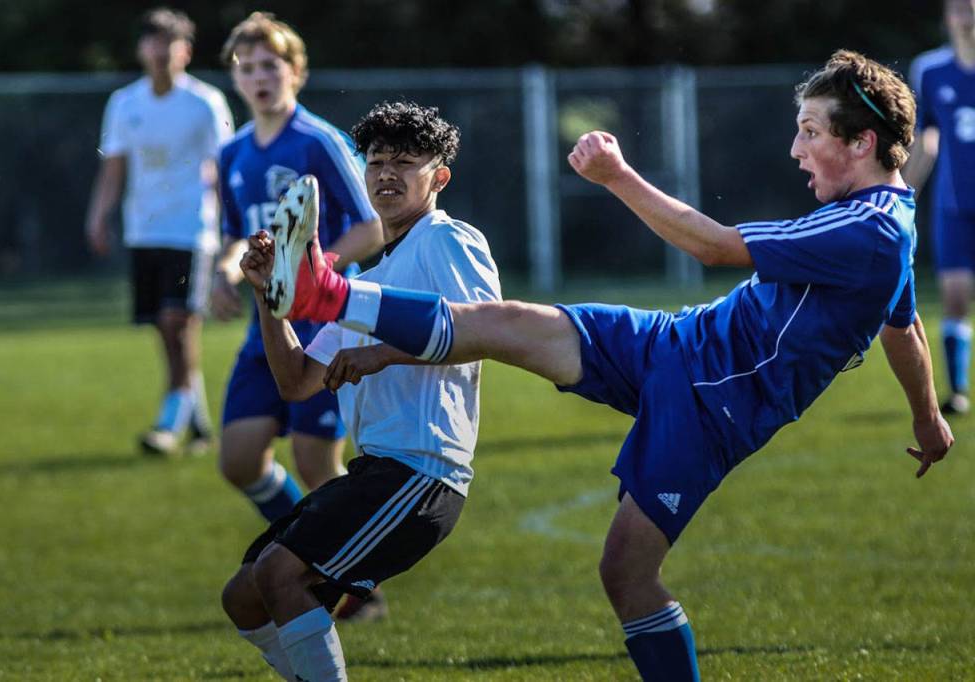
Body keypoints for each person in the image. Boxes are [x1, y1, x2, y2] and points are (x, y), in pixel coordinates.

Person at [270, 52, 955, 681]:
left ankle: (325, 291)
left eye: (810, 130)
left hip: (710, 406)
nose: (795, 147)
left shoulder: (869, 229)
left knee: (627, 574)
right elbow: (905, 325)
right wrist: (928, 420)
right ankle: (324, 292)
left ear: (860, 142)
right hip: (673, 344)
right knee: (510, 323)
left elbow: (714, 246)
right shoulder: (884, 223)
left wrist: (617, 176)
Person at [221, 101, 501, 681]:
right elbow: (297, 382)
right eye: (376, 162)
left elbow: (486, 328)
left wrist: (379, 353)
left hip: (423, 473)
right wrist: (268, 296)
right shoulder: (363, 285)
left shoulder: (447, 239)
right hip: (376, 471)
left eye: (405, 162)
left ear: (439, 177)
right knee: (245, 595)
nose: (387, 174)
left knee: (279, 576)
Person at [211, 12, 382, 552]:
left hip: (325, 327)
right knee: (239, 460)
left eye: (270, 65)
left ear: (296, 72)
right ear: (235, 79)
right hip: (267, 326)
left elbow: (371, 227)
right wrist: (224, 270)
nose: (258, 77)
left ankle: (354, 577)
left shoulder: (319, 142)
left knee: (315, 463)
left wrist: (315, 264)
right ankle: (311, 551)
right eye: (247, 67)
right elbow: (238, 235)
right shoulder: (231, 153)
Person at [85, 7, 234, 455]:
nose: (160, 52)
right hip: (144, 233)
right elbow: (113, 168)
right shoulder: (125, 103)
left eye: (170, 43)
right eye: (152, 42)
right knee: (167, 330)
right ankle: (199, 422)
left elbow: (226, 168)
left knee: (178, 319)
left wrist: (233, 230)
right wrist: (97, 216)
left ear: (185, 51)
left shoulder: (205, 102)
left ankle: (169, 423)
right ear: (141, 49)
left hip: (192, 233)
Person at [904, 0, 975, 415]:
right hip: (955, 204)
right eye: (959, 9)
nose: (966, 16)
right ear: (947, 16)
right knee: (953, 296)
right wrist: (903, 195)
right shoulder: (930, 70)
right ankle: (959, 390)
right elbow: (925, 139)